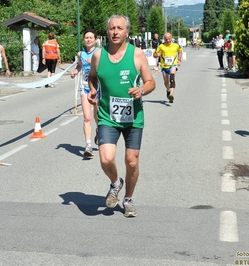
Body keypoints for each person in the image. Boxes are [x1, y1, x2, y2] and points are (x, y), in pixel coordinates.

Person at [87, 14, 155, 218]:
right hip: (108, 115)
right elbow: (92, 77)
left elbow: (151, 82)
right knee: (106, 159)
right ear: (106, 32)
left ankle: (128, 199)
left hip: (133, 117)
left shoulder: (137, 55)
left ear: (127, 32)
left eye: (119, 28)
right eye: (112, 28)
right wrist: (92, 90)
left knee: (131, 162)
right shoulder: (98, 56)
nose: (115, 32)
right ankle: (116, 183)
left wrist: (141, 90)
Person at [70, 29, 100, 157]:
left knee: (97, 116)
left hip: (98, 87)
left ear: (95, 40)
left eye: (91, 38)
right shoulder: (80, 54)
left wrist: (94, 63)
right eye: (86, 37)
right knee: (87, 117)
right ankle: (88, 146)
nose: (88, 40)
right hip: (84, 86)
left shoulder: (99, 53)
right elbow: (79, 65)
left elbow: (104, 67)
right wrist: (75, 71)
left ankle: (100, 131)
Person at [153, 32, 182, 103]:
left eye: (169, 39)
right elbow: (154, 55)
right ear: (164, 39)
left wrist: (179, 60)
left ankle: (171, 95)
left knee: (172, 79)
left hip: (173, 65)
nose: (168, 40)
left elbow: (180, 51)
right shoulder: (161, 46)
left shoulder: (176, 45)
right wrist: (157, 55)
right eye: (166, 39)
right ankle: (168, 90)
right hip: (164, 66)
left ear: (171, 38)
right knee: (166, 82)